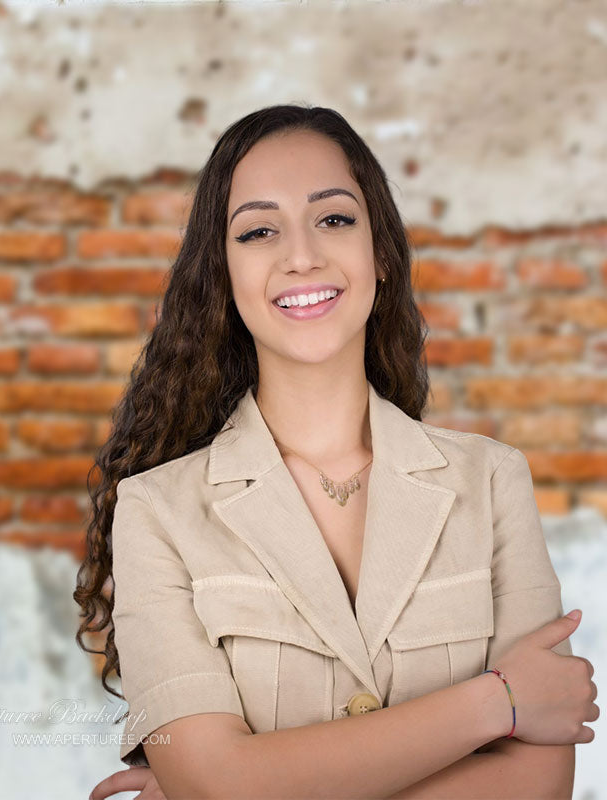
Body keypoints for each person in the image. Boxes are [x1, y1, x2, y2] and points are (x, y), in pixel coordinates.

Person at [75, 104, 598, 800]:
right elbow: (217, 783)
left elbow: (537, 786)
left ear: (378, 250)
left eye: (334, 218)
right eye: (259, 231)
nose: (301, 255)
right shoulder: (156, 513)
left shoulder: (493, 482)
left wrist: (245, 785)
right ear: (223, 275)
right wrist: (497, 703)